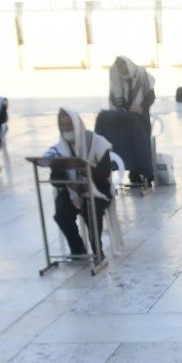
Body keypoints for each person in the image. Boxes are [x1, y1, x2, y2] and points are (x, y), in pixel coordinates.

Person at [45, 108, 113, 257]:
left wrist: (84, 169)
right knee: (61, 213)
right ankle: (77, 248)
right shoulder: (59, 149)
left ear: (77, 124)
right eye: (63, 125)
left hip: (98, 189)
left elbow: (105, 172)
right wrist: (59, 169)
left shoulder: (97, 142)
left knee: (92, 210)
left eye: (69, 124)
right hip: (72, 191)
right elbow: (56, 182)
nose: (66, 128)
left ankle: (97, 250)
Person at [107, 56, 156, 188]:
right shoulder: (116, 79)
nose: (122, 70)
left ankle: (147, 175)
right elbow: (114, 99)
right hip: (126, 120)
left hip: (141, 118)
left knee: (142, 145)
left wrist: (141, 107)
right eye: (119, 68)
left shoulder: (141, 75)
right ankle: (134, 174)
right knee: (129, 145)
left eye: (123, 67)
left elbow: (151, 95)